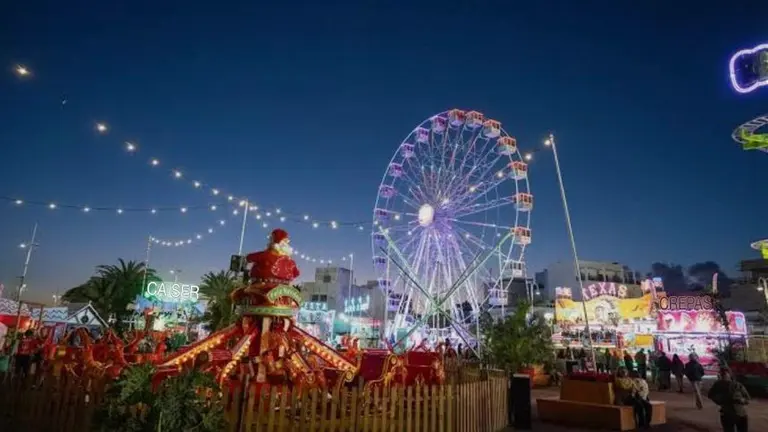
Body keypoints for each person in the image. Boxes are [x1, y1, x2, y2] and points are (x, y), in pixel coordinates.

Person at [708, 368, 749, 432]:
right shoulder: (718, 385)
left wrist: (742, 400)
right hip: (728, 413)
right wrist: (719, 400)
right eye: (722, 374)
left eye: (725, 374)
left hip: (740, 413)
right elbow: (711, 395)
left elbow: (747, 398)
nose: (723, 375)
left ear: (730, 375)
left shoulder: (737, 385)